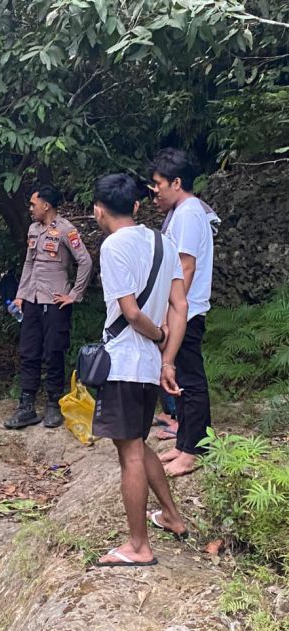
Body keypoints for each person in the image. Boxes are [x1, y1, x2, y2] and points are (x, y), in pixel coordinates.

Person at [91, 173, 188, 567]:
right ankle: (171, 516)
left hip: (125, 363)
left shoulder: (113, 247)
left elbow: (130, 313)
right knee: (138, 442)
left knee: (129, 452)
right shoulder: (164, 243)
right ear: (135, 205)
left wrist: (157, 334)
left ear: (98, 210)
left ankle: (138, 546)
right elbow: (180, 305)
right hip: (149, 367)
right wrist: (168, 357)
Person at [149, 148, 216, 477]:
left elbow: (186, 267)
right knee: (182, 382)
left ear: (176, 182)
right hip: (180, 309)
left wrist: (171, 311)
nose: (155, 191)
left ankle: (195, 450)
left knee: (191, 380)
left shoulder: (189, 212)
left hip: (186, 311)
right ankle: (183, 443)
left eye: (158, 184)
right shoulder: (182, 211)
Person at [5, 185, 92, 429]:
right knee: (29, 352)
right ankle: (27, 405)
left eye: (34, 204)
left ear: (46, 205)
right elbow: (28, 263)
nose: (31, 208)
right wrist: (21, 295)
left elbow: (85, 261)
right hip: (32, 300)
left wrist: (74, 294)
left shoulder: (66, 230)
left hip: (55, 302)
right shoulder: (33, 229)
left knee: (54, 352)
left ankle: (54, 404)